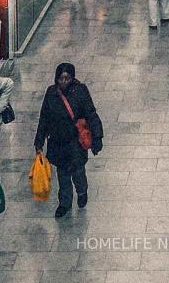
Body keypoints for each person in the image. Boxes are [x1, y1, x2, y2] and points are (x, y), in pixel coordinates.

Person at [33, 62, 103, 219]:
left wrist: (97, 137)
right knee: (63, 175)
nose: (64, 81)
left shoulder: (80, 91)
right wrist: (39, 142)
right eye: (61, 78)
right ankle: (64, 203)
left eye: (67, 78)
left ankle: (82, 191)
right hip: (58, 143)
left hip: (75, 143)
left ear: (72, 78)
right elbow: (44, 118)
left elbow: (91, 114)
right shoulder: (51, 93)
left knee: (78, 172)